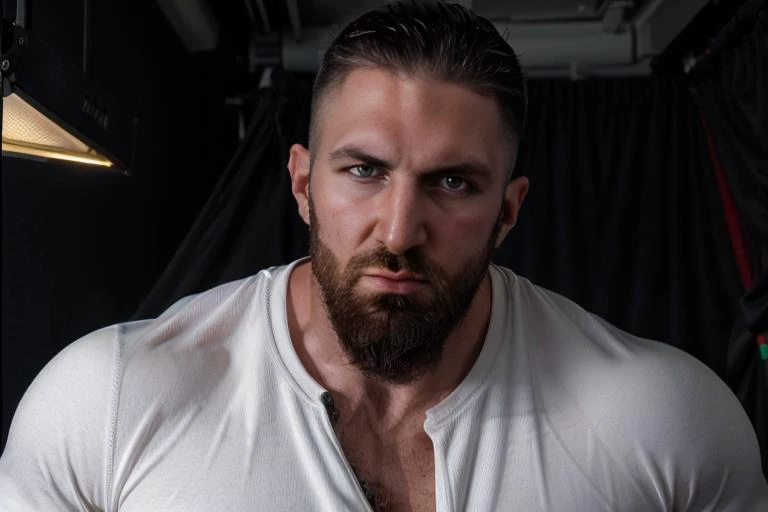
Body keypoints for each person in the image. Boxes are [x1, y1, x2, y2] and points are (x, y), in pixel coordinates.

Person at [1, 1, 766, 510]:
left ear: (508, 209)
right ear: (302, 183)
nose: (399, 230)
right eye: (364, 171)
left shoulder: (665, 423)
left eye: (453, 183)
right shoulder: (110, 402)